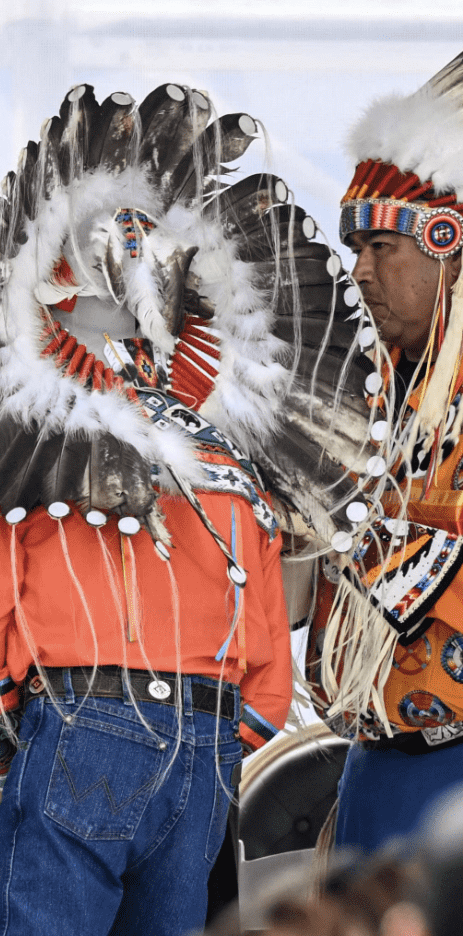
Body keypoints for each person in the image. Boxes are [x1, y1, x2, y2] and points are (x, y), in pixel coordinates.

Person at [0, 81, 380, 935]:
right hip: (205, 750)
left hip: (78, 725)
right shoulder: (229, 453)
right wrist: (209, 744)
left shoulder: (24, 439)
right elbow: (264, 670)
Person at [308, 50, 463, 855]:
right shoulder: (373, 409)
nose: (360, 270)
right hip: (374, 766)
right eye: (355, 247)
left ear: (448, 244)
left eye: (382, 247)